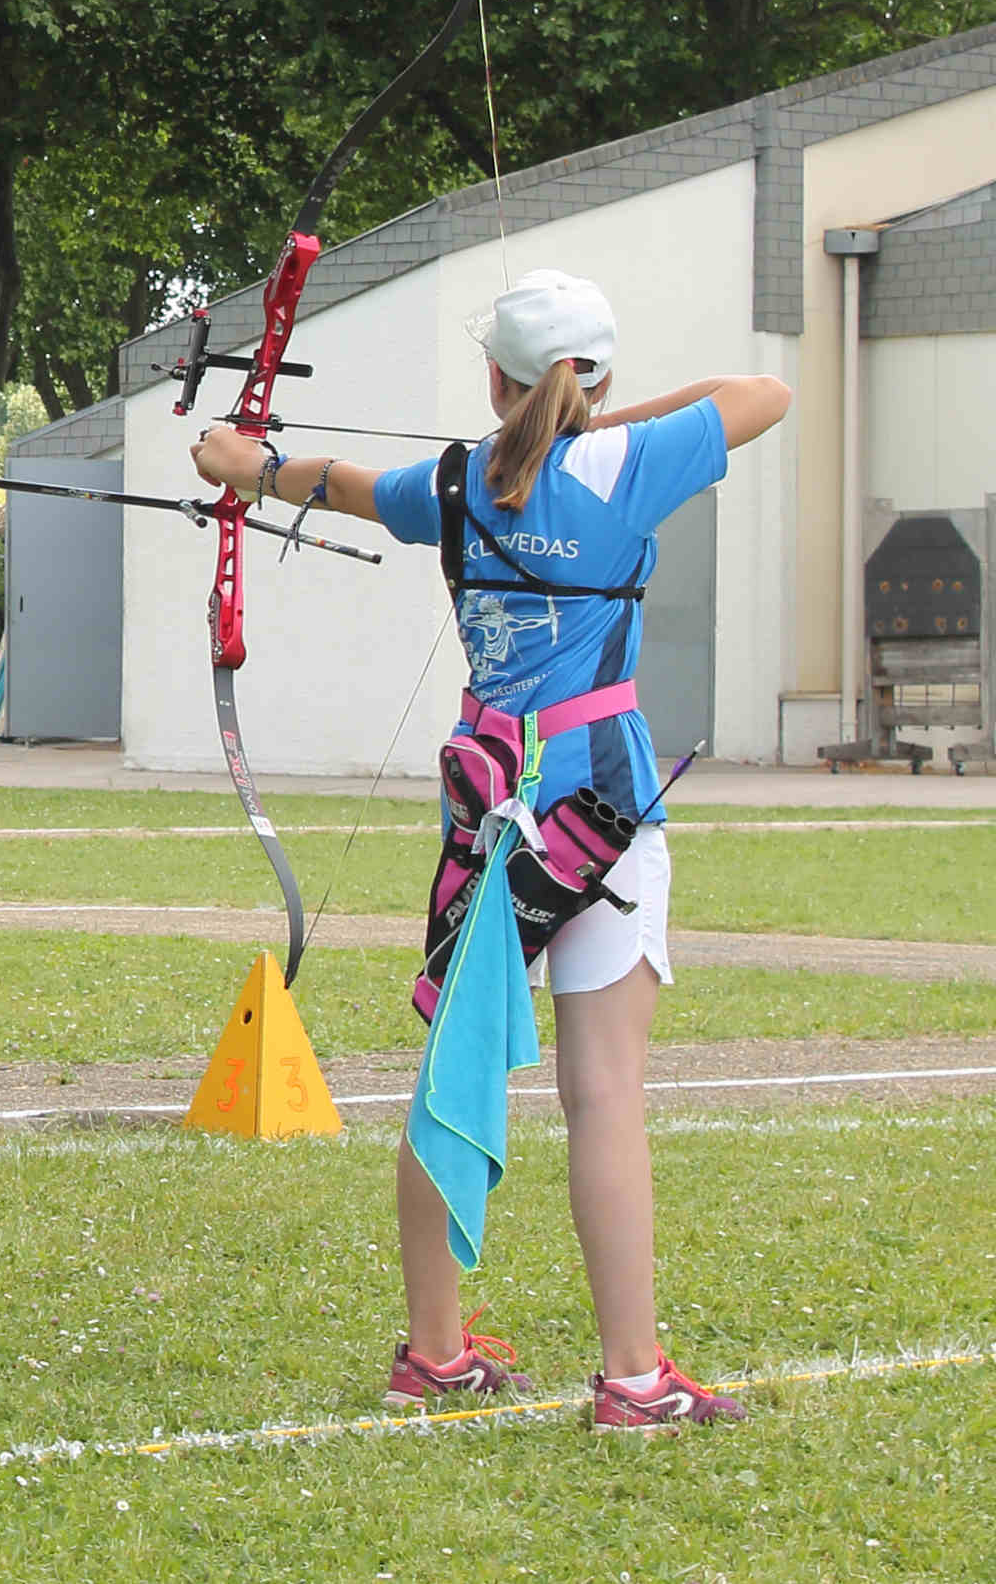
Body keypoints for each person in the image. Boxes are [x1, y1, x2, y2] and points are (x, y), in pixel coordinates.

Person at [192, 268, 793, 1433]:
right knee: (602, 1092)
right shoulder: (626, 463)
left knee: (453, 1065)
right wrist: (591, 417)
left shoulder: (454, 483)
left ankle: (433, 1351)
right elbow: (758, 392)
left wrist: (240, 464)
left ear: (492, 379)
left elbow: (332, 483)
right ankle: (632, 1379)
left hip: (485, 804)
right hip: (597, 808)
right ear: (590, 378)